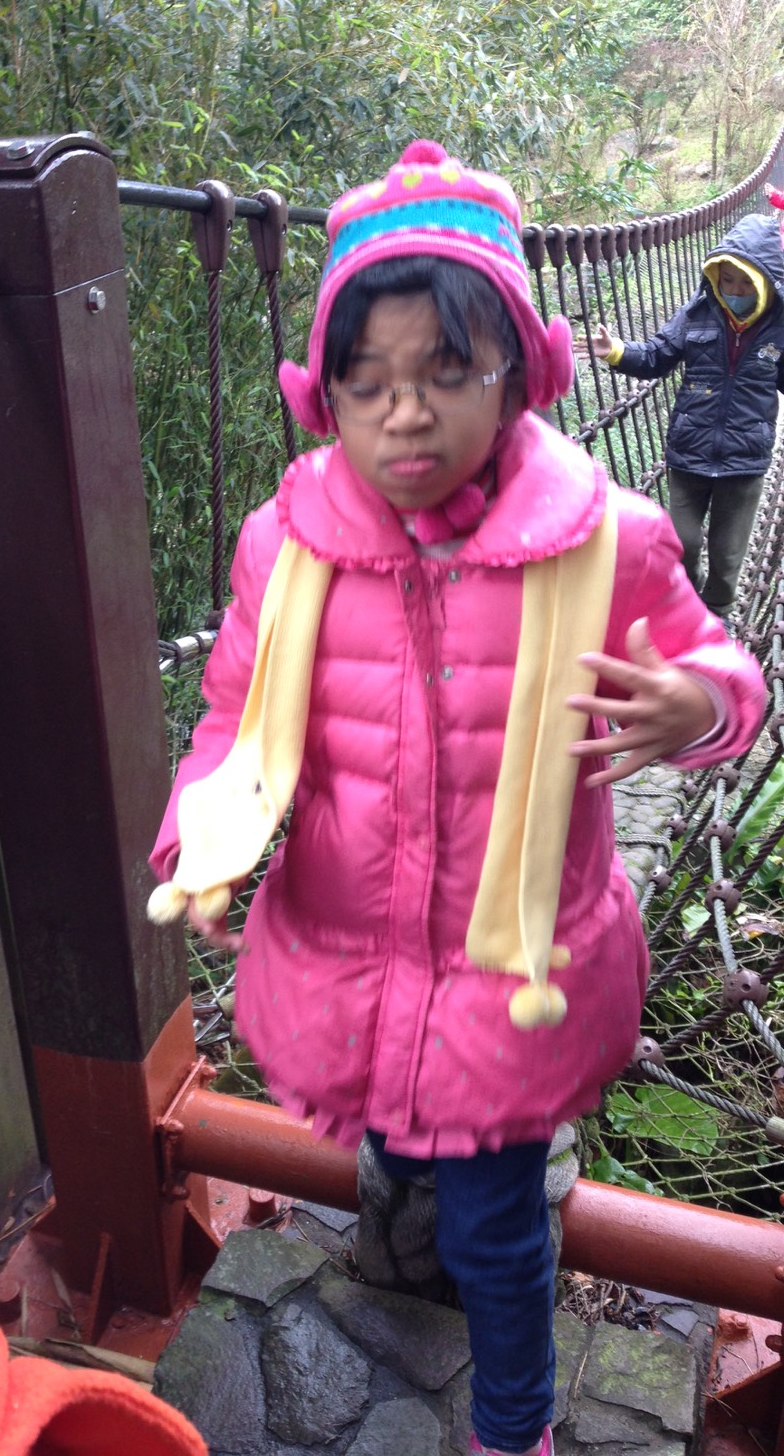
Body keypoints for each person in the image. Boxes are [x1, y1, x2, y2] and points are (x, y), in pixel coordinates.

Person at [147, 140, 765, 1456]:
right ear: (326, 395)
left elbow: (724, 670)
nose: (405, 414)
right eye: (367, 381)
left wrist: (695, 705)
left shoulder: (604, 539)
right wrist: (204, 841)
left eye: (446, 372)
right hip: (355, 959)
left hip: (509, 981)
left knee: (492, 1227)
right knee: (394, 1146)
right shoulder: (286, 546)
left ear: (518, 373)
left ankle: (512, 1422)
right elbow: (234, 724)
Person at [574, 213, 784, 628]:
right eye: (727, 280)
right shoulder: (697, 314)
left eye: (746, 283)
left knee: (727, 552)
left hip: (745, 459)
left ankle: (717, 614)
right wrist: (616, 351)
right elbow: (657, 355)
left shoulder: (779, 328)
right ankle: (687, 604)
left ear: (766, 285)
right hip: (690, 450)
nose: (735, 291)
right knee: (681, 540)